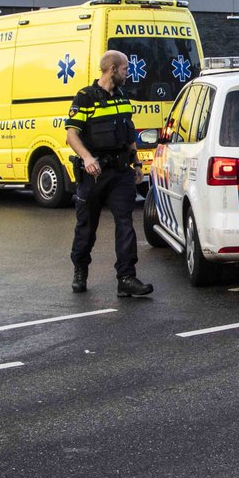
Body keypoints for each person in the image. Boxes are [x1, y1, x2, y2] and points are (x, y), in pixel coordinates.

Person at [65, 50, 153, 296]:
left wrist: (136, 164)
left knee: (125, 224)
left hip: (121, 172)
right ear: (112, 69)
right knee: (86, 227)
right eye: (125, 69)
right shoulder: (85, 97)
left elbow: (129, 133)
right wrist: (87, 157)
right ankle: (80, 271)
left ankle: (126, 278)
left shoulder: (123, 96)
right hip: (94, 174)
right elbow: (71, 134)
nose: (128, 74)